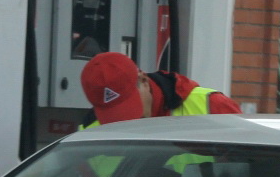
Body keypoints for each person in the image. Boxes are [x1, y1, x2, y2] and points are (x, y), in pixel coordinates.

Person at [79, 52, 241, 127]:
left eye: (131, 107)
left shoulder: (213, 108)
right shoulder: (89, 132)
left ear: (143, 80)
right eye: (116, 118)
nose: (130, 122)